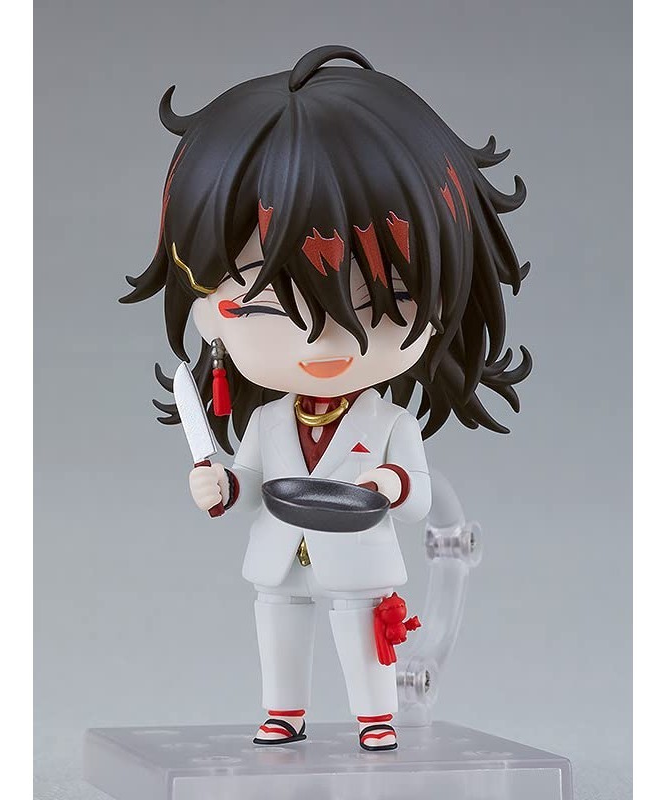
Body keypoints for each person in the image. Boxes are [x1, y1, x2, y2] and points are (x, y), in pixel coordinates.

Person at [122, 44, 531, 751]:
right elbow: (250, 482)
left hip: (359, 557)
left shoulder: (388, 421)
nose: (322, 347)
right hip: (280, 554)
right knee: (278, 627)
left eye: (384, 301)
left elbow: (418, 494)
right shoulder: (270, 421)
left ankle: (376, 716)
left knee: (360, 632)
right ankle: (284, 711)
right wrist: (221, 485)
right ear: (208, 309)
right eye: (267, 308)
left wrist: (391, 482)